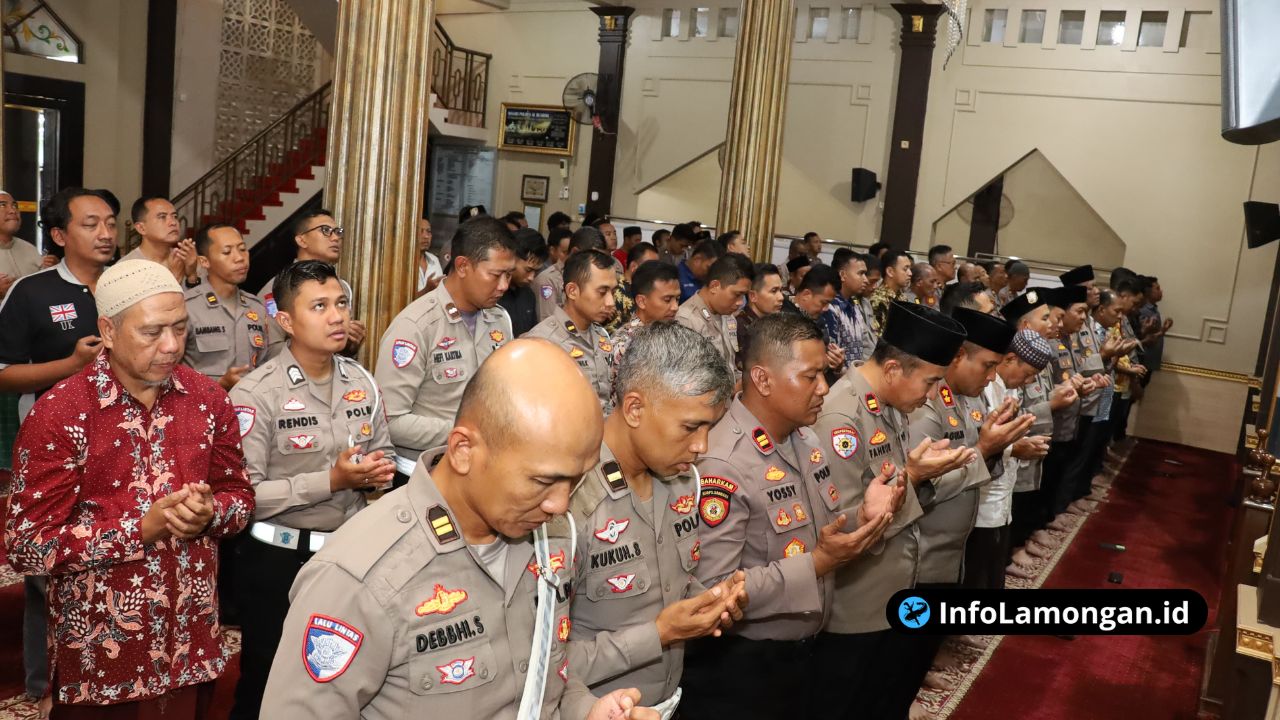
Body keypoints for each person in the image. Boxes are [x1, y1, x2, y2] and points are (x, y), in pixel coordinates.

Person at [259, 340, 658, 720]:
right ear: (464, 451)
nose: (561, 504)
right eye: (542, 482)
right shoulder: (360, 579)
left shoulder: (549, 535)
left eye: (575, 482)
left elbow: (538, 678)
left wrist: (584, 710)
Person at [4, 259, 254, 718]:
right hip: (102, 662)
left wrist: (210, 513)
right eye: (152, 331)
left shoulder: (208, 400)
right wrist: (140, 530)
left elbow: (239, 498)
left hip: (191, 650)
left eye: (181, 328)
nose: (172, 345)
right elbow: (25, 547)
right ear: (109, 329)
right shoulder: (63, 414)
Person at [680, 314, 898, 720]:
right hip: (741, 665)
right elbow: (713, 590)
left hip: (800, 653)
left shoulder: (804, 437)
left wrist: (861, 514)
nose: (823, 388)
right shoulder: (723, 462)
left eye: (825, 375)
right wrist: (817, 564)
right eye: (810, 376)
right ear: (762, 379)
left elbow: (818, 528)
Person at [228, 260, 395, 720]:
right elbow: (244, 496)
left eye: (340, 303)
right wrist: (331, 481)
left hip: (348, 556)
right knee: (266, 681)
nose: (336, 316)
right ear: (285, 321)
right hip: (277, 561)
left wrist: (374, 475)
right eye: (319, 306)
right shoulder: (256, 393)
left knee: (341, 680)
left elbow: (382, 456)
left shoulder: (362, 382)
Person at [566, 323, 747, 713]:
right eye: (689, 428)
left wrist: (708, 599)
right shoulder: (567, 502)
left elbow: (670, 580)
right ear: (634, 409)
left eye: (709, 428)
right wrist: (659, 634)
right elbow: (535, 663)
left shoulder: (685, 481)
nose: (702, 446)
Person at [811, 300, 974, 720]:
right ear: (894, 370)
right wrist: (913, 477)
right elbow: (846, 523)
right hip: (855, 606)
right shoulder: (842, 415)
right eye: (930, 381)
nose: (931, 395)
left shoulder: (889, 404)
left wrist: (918, 475)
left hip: (890, 589)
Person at [0, 188, 115, 712]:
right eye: (92, 224)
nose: (107, 233)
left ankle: (108, 664)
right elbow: (3, 374)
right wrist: (68, 368)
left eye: (111, 223)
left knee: (113, 556)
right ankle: (42, 682)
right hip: (53, 453)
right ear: (61, 235)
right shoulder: (32, 291)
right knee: (48, 566)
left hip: (121, 446)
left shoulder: (128, 287)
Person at [900, 308, 1031, 700]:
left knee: (924, 641)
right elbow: (925, 489)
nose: (992, 377)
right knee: (906, 645)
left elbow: (974, 463)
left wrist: (994, 446)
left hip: (950, 545)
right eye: (987, 366)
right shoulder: (928, 408)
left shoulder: (964, 400)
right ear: (959, 357)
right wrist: (986, 448)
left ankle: (917, 680)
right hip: (922, 550)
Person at [375, 215, 514, 482]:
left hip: (482, 469)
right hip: (424, 474)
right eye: (496, 275)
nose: (504, 286)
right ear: (462, 266)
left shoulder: (499, 319)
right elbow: (390, 421)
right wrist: (467, 431)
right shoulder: (416, 326)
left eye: (509, 275)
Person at [967, 329, 1054, 590]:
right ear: (1010, 359)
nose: (1027, 381)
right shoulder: (983, 386)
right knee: (977, 562)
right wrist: (1014, 449)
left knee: (995, 558)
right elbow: (975, 438)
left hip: (1003, 491)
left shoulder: (1010, 388)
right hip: (980, 493)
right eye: (1026, 374)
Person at [259, 209, 366, 359]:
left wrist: (348, 345)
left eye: (338, 232)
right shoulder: (279, 286)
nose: (335, 238)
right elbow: (270, 350)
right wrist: (319, 345)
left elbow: (339, 353)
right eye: (326, 230)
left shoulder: (342, 287)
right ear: (302, 240)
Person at [525, 250, 618, 409]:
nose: (610, 302)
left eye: (613, 292)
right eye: (602, 292)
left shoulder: (601, 335)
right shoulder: (543, 342)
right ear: (572, 291)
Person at [182, 223, 268, 389]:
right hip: (201, 409)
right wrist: (219, 385)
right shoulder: (187, 307)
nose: (239, 258)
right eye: (227, 252)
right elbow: (169, 372)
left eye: (242, 249)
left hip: (249, 409)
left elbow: (264, 365)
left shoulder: (256, 308)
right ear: (204, 261)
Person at [675, 254, 752, 386]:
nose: (740, 302)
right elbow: (686, 381)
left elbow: (730, 366)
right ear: (715, 286)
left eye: (743, 295)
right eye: (737, 294)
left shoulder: (728, 315)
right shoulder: (687, 320)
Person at [609, 260, 682, 395]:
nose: (675, 307)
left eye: (677, 299)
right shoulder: (624, 344)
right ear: (641, 301)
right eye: (667, 300)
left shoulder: (675, 332)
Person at [781, 264, 845, 375]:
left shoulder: (818, 320)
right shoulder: (784, 319)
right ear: (806, 294)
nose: (826, 309)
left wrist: (836, 363)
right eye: (824, 302)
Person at [124, 196, 199, 284]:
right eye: (162, 217)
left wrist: (192, 275)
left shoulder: (186, 258)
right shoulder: (127, 269)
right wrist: (173, 279)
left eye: (175, 216)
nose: (173, 222)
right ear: (141, 228)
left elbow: (206, 297)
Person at [822, 250, 874, 368]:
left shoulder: (854, 305)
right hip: (838, 380)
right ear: (843, 275)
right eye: (861, 274)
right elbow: (832, 355)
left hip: (854, 377)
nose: (866, 279)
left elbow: (864, 346)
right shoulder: (831, 307)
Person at [0, 190, 54, 299]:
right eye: (2, 205)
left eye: (15, 206)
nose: (12, 210)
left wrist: (54, 271)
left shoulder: (29, 249)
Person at [498, 227, 546, 337]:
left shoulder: (529, 295)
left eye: (536, 271)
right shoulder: (493, 292)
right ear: (513, 258)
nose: (531, 277)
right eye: (528, 270)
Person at [735, 263, 784, 372]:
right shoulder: (739, 327)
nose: (781, 297)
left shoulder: (776, 324)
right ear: (753, 296)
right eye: (774, 291)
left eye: (781, 290)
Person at [868, 249, 911, 335]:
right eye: (905, 269)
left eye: (910, 269)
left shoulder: (902, 297)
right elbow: (877, 336)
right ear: (890, 272)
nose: (910, 273)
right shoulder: (878, 299)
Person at [535, 226, 574, 321]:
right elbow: (547, 318)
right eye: (565, 252)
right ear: (552, 250)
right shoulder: (547, 279)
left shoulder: (572, 273)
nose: (569, 257)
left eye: (571, 253)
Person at [677, 239, 724, 303]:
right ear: (697, 260)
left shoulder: (711, 280)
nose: (712, 274)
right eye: (709, 268)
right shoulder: (676, 276)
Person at [416, 216, 445, 297]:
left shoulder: (434, 260)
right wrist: (426, 290)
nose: (426, 236)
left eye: (428, 231)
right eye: (420, 231)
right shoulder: (402, 262)